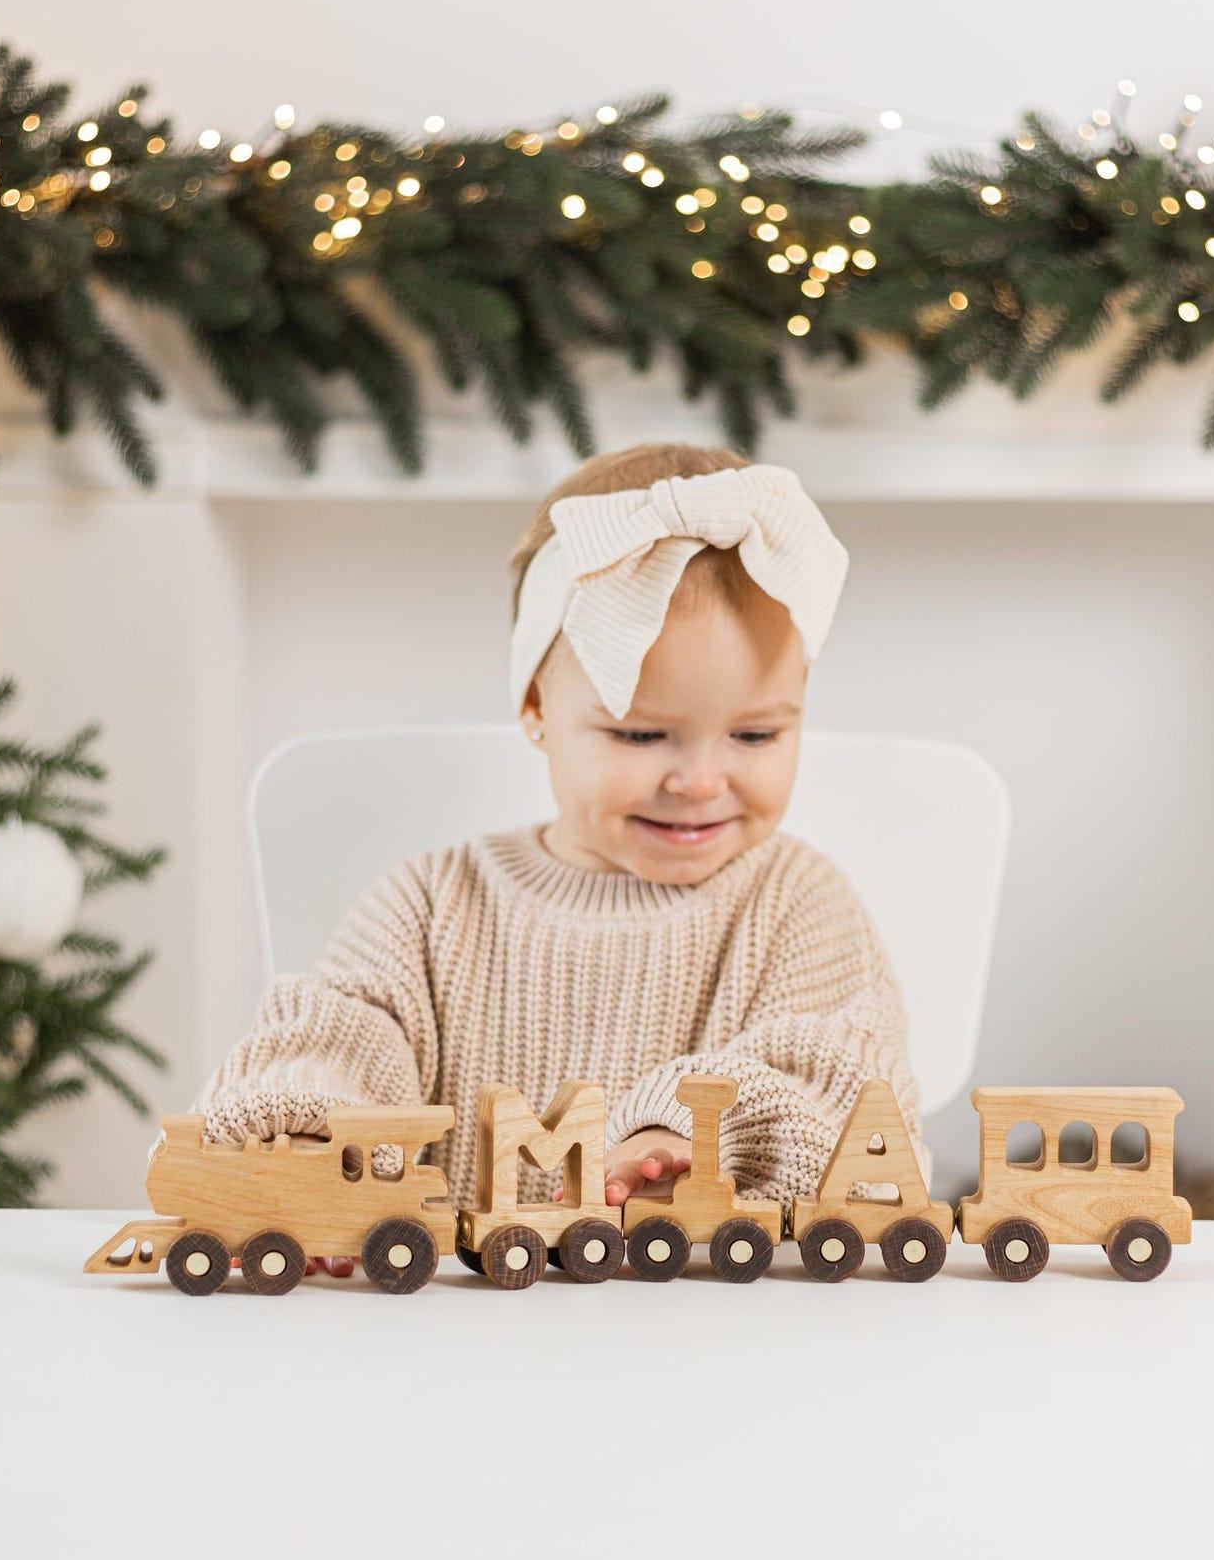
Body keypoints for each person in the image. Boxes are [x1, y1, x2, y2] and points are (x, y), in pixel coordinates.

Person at [184, 441, 924, 1276]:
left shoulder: (799, 901)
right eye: (641, 733)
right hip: (453, 1332)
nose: (700, 779)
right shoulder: (434, 901)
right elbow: (343, 1033)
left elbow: (837, 1074)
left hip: (704, 1333)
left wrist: (680, 1131)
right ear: (536, 705)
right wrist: (314, 1142)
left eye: (757, 734)